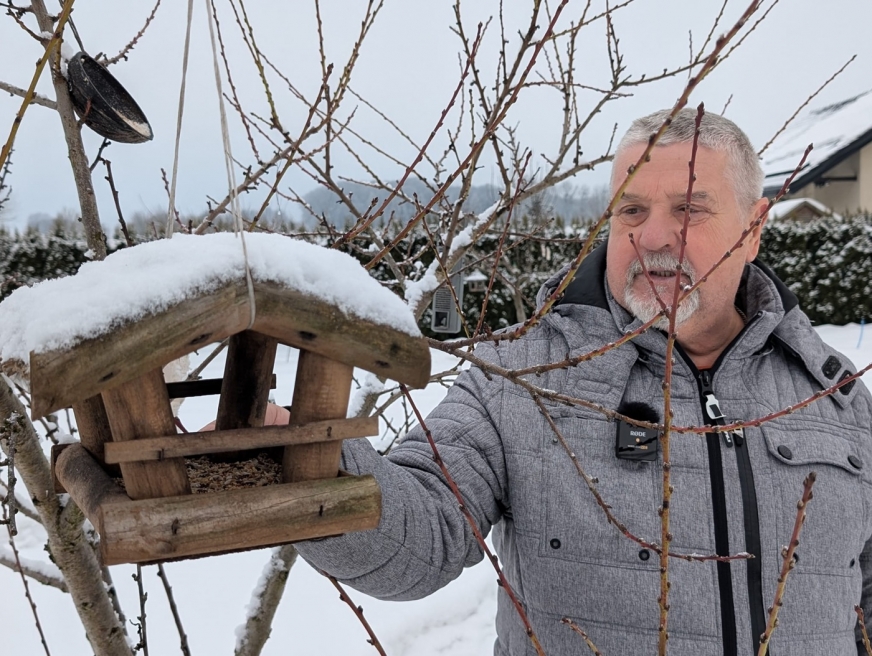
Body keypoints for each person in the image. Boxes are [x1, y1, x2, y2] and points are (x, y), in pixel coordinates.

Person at [293, 108, 872, 656]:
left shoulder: (835, 394)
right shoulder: (524, 377)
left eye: (688, 210)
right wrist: (309, 466)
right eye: (632, 211)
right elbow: (421, 537)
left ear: (752, 229)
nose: (652, 237)